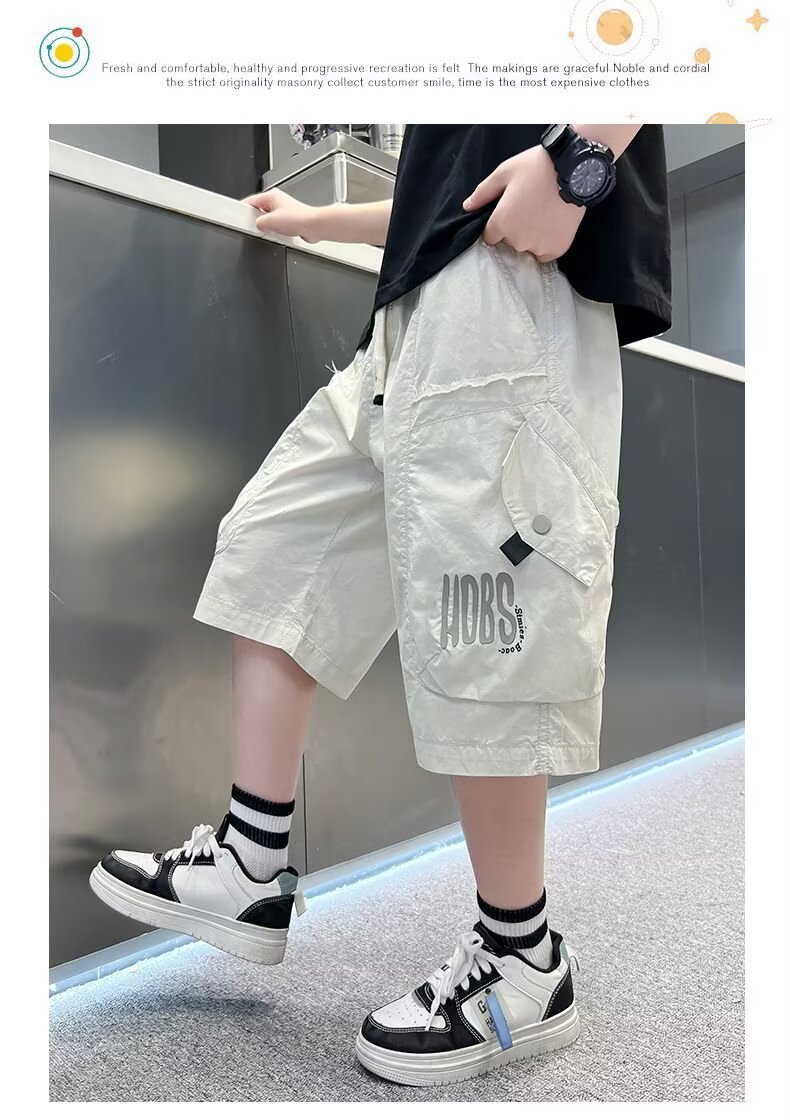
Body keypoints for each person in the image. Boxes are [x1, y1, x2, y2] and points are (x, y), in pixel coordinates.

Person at [90, 124, 671, 1087]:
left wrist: (579, 160)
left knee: (484, 627)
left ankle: (525, 958)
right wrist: (319, 221)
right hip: (408, 319)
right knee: (274, 552)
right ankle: (250, 863)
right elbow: (439, 193)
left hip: (511, 294)